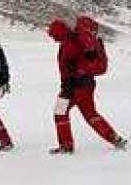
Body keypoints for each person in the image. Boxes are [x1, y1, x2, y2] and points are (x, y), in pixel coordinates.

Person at [47, 19, 126, 154]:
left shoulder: (69, 44)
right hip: (87, 84)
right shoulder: (74, 40)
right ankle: (114, 138)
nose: (53, 38)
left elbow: (70, 69)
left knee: (59, 112)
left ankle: (66, 146)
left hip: (73, 86)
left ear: (59, 32)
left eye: (53, 35)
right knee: (90, 114)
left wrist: (67, 89)